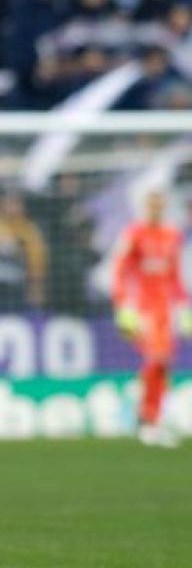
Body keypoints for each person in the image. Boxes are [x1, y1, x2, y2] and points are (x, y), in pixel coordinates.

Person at [113, 191, 190, 448]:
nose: (156, 209)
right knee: (155, 359)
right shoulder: (134, 234)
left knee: (164, 364)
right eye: (151, 204)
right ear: (145, 207)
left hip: (165, 310)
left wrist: (185, 306)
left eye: (160, 204)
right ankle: (147, 421)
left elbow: (176, 277)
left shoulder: (172, 236)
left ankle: (151, 419)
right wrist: (124, 306)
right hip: (142, 309)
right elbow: (120, 271)